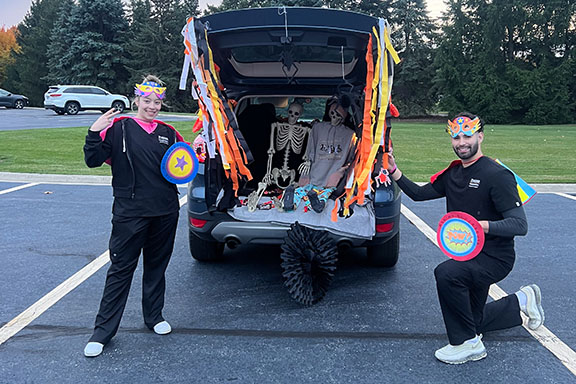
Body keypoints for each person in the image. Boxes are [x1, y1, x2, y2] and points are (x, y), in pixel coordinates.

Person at [387, 112, 544, 364]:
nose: (462, 142)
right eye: (456, 136)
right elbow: (418, 194)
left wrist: (479, 226)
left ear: (480, 136)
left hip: (495, 257)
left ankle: (467, 344)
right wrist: (393, 170)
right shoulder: (453, 173)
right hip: (468, 254)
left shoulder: (497, 174)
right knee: (474, 319)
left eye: (467, 135)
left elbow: (519, 224)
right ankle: (522, 300)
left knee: (447, 273)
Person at [82, 75, 184, 357]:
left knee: (156, 267)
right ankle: (102, 332)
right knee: (120, 270)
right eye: (147, 101)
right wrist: (94, 131)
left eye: (157, 102)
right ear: (136, 100)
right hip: (130, 213)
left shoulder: (169, 132)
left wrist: (197, 151)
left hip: (165, 211)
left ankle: (154, 317)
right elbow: (92, 160)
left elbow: (183, 163)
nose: (152, 106)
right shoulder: (119, 128)